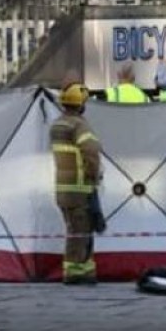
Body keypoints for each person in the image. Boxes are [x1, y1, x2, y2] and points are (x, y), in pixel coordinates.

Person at [50, 82, 104, 285]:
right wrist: (94, 175)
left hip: (63, 188)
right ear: (81, 104)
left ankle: (81, 270)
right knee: (81, 231)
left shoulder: (58, 125)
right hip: (80, 188)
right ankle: (77, 273)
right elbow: (90, 151)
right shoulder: (79, 125)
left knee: (73, 229)